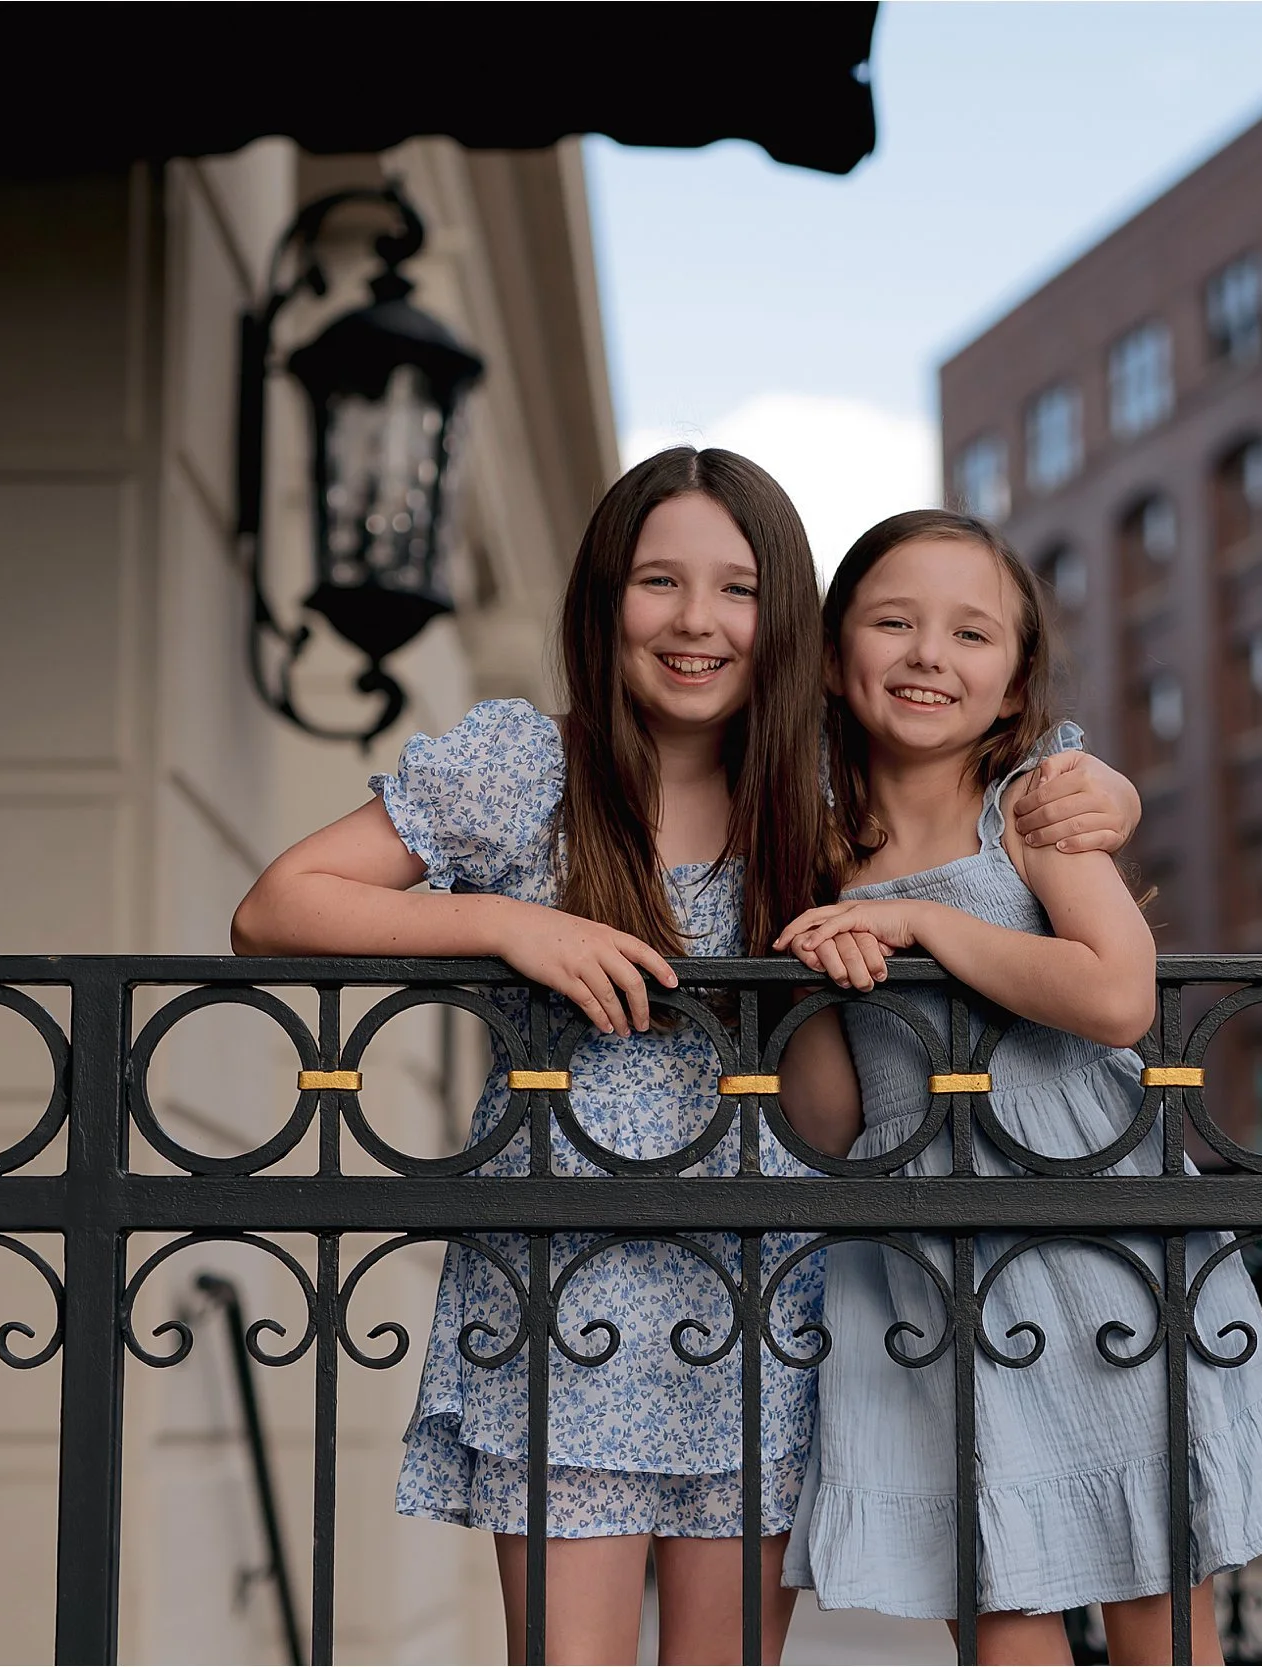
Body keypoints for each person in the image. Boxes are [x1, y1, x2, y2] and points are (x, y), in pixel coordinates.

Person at [231, 454, 1147, 1664]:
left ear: (787, 623)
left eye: (737, 587)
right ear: (607, 600)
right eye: (659, 581)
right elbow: (278, 905)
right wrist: (510, 921)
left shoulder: (824, 785)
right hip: (566, 1300)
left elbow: (991, 780)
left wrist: (1104, 792)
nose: (696, 620)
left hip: (769, 1298)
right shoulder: (526, 770)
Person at [773, 509, 1262, 1666]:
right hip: (924, 1253)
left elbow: (1115, 992)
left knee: (1151, 1583)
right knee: (997, 1594)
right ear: (835, 659)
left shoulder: (1032, 806)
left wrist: (923, 922)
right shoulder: (819, 846)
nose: (930, 652)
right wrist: (802, 981)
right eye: (894, 621)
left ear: (1013, 678)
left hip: (1093, 1228)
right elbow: (830, 1120)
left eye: (970, 632)